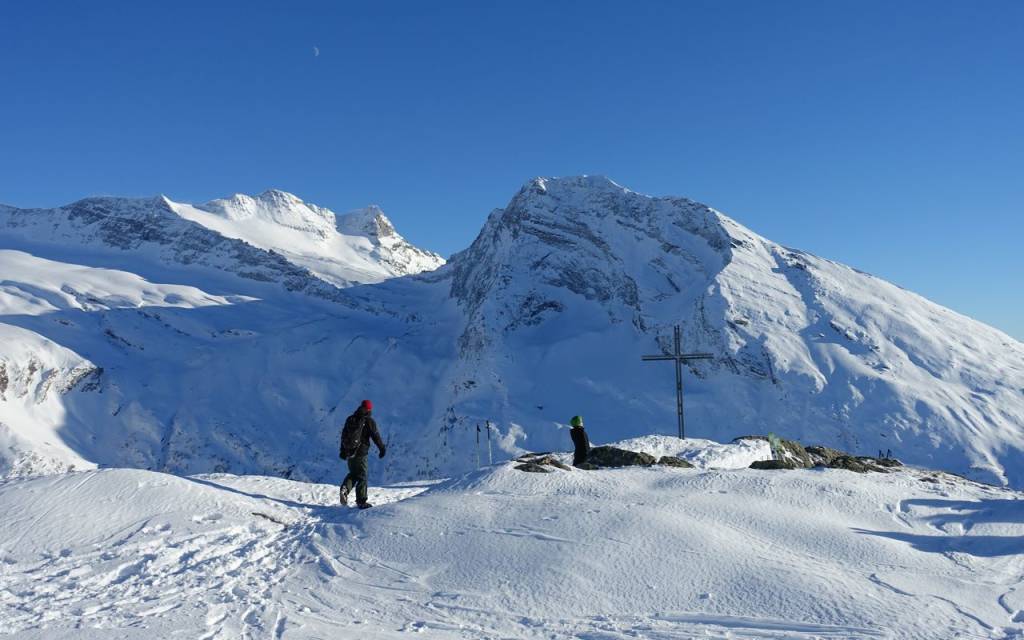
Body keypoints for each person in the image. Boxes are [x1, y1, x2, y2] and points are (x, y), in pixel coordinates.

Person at [339, 399, 386, 509]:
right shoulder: (369, 421)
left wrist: (342, 451)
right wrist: (382, 448)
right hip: (361, 453)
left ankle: (345, 488)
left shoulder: (350, 419)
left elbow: (343, 435)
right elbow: (376, 436)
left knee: (353, 473)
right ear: (369, 409)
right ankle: (361, 501)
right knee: (362, 476)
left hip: (349, 452)